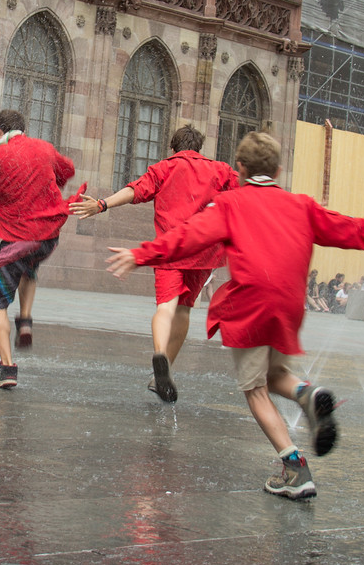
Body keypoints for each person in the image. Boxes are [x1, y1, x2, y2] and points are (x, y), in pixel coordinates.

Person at [106, 132, 364, 500]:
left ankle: (295, 467)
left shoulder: (230, 204)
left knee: (255, 390)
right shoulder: (301, 205)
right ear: (279, 169)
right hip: (291, 305)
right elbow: (355, 230)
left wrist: (141, 255)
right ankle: (306, 394)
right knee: (275, 374)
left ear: (240, 168)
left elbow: (186, 237)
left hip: (252, 303)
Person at [69, 124, 238, 403]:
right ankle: (164, 368)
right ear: (198, 148)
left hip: (170, 250)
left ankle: (160, 353)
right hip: (203, 252)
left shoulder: (165, 168)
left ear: (173, 148)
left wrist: (101, 204)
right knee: (184, 311)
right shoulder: (220, 169)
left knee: (165, 308)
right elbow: (245, 192)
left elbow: (134, 191)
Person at [0, 109, 84, 389]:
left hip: (17, 239)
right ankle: (26, 319)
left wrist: (0, 194)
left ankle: (7, 369)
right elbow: (67, 170)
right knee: (29, 267)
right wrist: (42, 183)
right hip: (46, 237)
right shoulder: (44, 148)